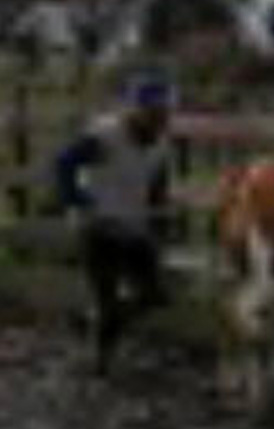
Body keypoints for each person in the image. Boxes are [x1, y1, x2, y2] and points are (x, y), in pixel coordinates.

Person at [53, 72, 179, 375]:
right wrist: (76, 202)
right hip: (99, 224)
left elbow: (157, 183)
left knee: (153, 295)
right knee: (106, 295)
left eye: (163, 112)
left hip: (134, 225)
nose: (159, 119)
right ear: (135, 110)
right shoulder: (105, 135)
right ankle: (99, 357)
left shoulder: (161, 144)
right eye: (153, 112)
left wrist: (160, 218)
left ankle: (92, 323)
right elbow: (64, 162)